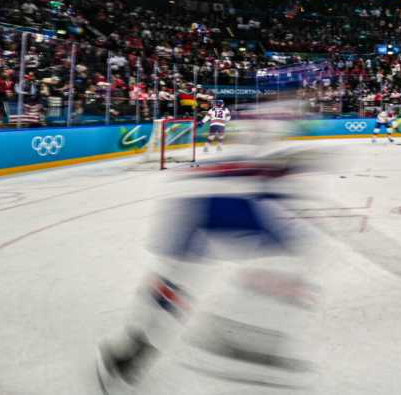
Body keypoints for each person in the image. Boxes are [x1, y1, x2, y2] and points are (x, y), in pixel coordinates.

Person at [97, 109, 317, 393]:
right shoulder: (267, 143)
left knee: (175, 278)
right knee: (288, 257)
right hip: (212, 199)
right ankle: (237, 339)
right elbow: (264, 184)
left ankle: (131, 352)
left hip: (200, 197)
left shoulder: (261, 147)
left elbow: (262, 177)